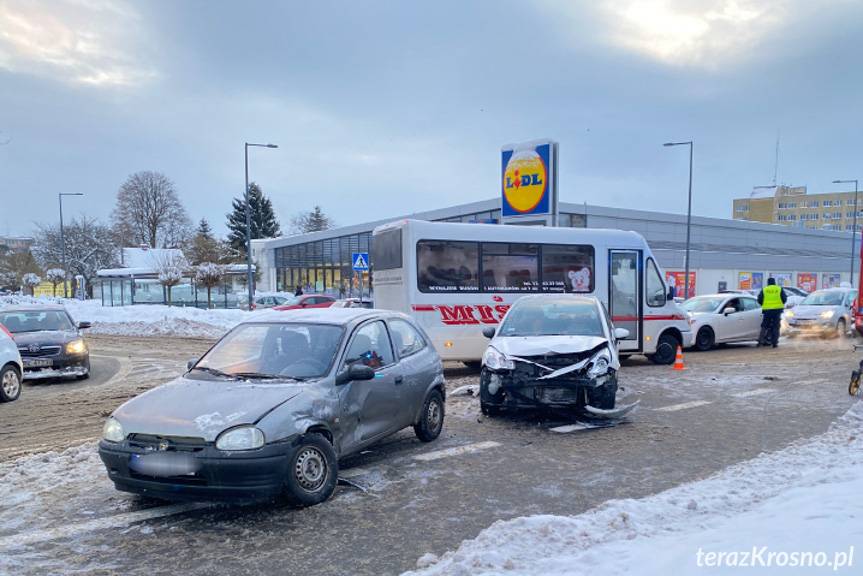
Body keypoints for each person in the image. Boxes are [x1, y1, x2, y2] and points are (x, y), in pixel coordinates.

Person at [757, 277, 787, 348]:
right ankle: (774, 343)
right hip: (777, 311)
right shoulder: (779, 289)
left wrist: (764, 304)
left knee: (764, 326)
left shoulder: (764, 289)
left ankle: (760, 342)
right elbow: (784, 299)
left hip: (767, 311)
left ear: (768, 283)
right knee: (775, 327)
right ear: (774, 282)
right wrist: (779, 304)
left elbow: (759, 299)